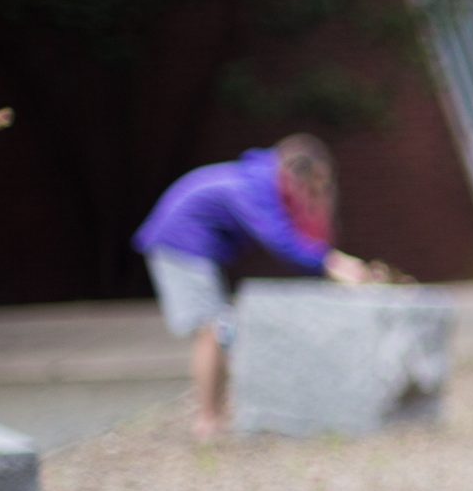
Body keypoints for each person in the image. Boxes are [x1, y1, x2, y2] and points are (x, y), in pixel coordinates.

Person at [133, 134, 377, 440]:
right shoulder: (255, 188)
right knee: (211, 330)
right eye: (314, 186)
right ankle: (208, 421)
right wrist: (331, 263)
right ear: (295, 175)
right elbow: (281, 241)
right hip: (181, 245)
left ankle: (216, 415)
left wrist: (326, 254)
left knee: (220, 329)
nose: (316, 193)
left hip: (194, 248)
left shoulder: (260, 179)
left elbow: (297, 235)